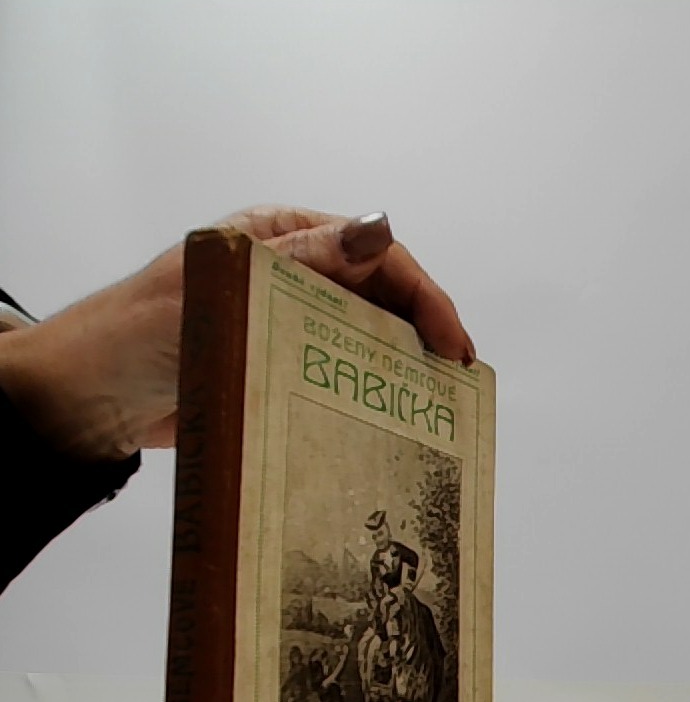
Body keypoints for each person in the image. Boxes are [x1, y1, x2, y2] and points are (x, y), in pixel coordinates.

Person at [0, 205, 476, 596]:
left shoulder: (401, 554)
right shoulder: (374, 561)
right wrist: (65, 385)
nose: (379, 538)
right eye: (377, 533)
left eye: (379, 532)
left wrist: (67, 387)